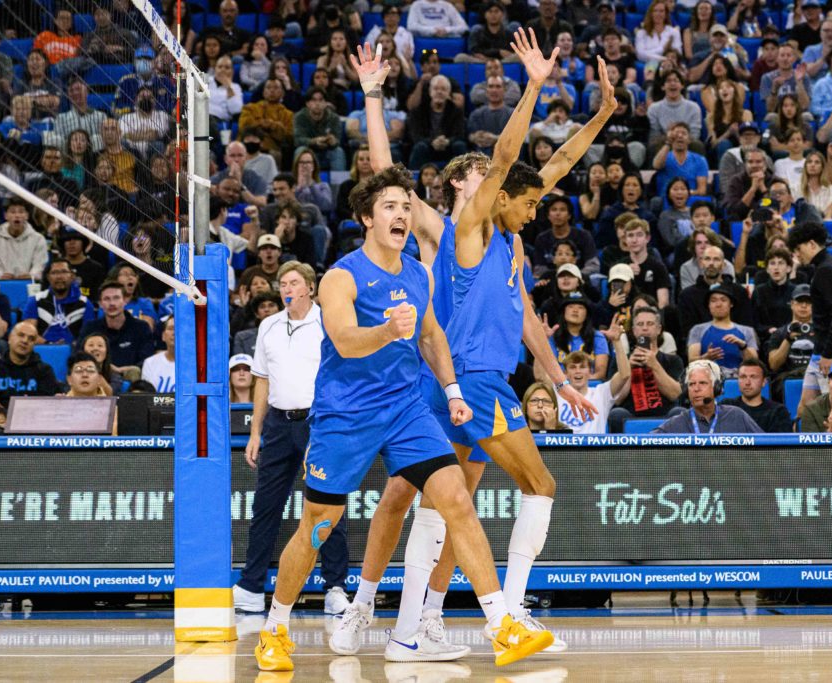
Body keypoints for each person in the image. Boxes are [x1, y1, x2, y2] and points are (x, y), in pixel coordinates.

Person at [335, 33, 607, 658]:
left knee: (446, 503)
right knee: (415, 498)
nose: (507, 182)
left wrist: (560, 379)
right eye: (491, 176)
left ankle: (419, 621)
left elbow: (531, 320)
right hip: (451, 376)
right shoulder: (448, 228)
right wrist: (374, 96)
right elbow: (386, 176)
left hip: (469, 381)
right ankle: (384, 607)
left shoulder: (510, 241)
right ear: (466, 185)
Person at [253, 165, 555, 672]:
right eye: (389, 207)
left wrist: (454, 391)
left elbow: (433, 336)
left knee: (457, 496)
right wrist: (388, 331)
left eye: (405, 206)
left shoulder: (418, 272)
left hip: (406, 409)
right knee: (318, 527)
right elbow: (347, 343)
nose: (401, 214)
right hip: (346, 415)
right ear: (366, 219)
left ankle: (501, 622)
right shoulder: (340, 277)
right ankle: (275, 626)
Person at [233, 261, 351, 616]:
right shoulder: (268, 325)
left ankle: (335, 587)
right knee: (265, 505)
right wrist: (255, 431)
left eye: (293, 282)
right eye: (282, 283)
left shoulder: (328, 323)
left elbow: (343, 377)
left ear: (310, 288)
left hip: (319, 423)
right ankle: (252, 586)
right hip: (278, 426)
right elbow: (262, 380)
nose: (286, 288)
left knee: (328, 506)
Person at [787, 221, 832, 418]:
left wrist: (829, 353)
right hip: (824, 351)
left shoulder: (826, 270)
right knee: (805, 406)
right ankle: (799, 447)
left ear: (812, 244)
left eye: (798, 248)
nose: (797, 254)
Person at [607, 305, 685, 432]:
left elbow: (675, 394)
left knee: (679, 412)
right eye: (640, 324)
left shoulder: (673, 360)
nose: (644, 328)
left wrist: (654, 364)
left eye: (650, 324)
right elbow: (617, 398)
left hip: (664, 415)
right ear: (633, 330)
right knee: (616, 414)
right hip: (630, 415)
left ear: (659, 329)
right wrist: (628, 367)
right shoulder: (621, 361)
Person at [653, 360, 763, 433]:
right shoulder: (676, 423)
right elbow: (643, 447)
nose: (696, 389)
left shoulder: (736, 416)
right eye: (691, 384)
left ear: (716, 387)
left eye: (702, 383)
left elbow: (768, 447)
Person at [0, 321, 58, 415]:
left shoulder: (44, 371)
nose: (25, 341)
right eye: (21, 335)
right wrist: (1, 412)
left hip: (33, 421)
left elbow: (47, 404)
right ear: (10, 338)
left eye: (31, 339)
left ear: (34, 344)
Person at [78, 281, 156, 372]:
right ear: (100, 303)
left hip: (133, 379)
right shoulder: (90, 328)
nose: (111, 303)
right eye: (107, 299)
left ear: (125, 301)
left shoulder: (141, 327)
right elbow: (78, 356)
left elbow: (148, 361)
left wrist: (122, 371)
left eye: (116, 298)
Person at [687, 282, 758, 378]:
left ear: (731, 304)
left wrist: (743, 346)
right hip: (708, 380)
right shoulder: (697, 330)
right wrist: (706, 358)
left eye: (723, 300)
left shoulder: (747, 331)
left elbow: (755, 364)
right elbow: (691, 362)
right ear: (708, 305)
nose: (718, 304)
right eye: (713, 301)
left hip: (739, 380)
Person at [21, 258, 96, 345]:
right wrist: (50, 344)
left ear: (72, 276)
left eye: (64, 272)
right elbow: (29, 334)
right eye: (54, 273)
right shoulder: (35, 301)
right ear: (48, 277)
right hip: (42, 350)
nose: (59, 277)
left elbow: (88, 336)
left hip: (74, 352)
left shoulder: (85, 303)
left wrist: (70, 348)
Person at [556, 346, 627, 434]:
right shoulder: (558, 392)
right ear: (565, 373)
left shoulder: (601, 393)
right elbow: (541, 377)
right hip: (562, 447)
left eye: (582, 367)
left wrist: (617, 341)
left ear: (590, 372)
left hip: (594, 447)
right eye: (573, 367)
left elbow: (624, 375)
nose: (578, 371)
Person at [766, 283, 817, 402]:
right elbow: (773, 365)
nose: (804, 305)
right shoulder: (779, 333)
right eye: (799, 301)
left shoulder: (823, 332)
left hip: (816, 377)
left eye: (808, 302)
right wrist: (788, 340)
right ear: (792, 304)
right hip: (786, 381)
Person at [0, 198, 48, 280]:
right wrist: (0, 275)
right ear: (6, 216)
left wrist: (31, 275)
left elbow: (39, 265)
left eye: (21, 212)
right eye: (13, 212)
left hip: (30, 283)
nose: (17, 215)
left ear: (27, 216)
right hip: (1, 283)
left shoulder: (38, 239)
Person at [721, 359, 792, 432]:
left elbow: (781, 442)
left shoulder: (778, 412)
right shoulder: (726, 406)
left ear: (764, 382)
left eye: (753, 377)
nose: (747, 382)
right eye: (743, 377)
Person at [140, 316, 176, 393]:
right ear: (163, 336)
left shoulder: (197, 364)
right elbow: (148, 398)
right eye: (170, 328)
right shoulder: (150, 363)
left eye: (179, 329)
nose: (174, 333)